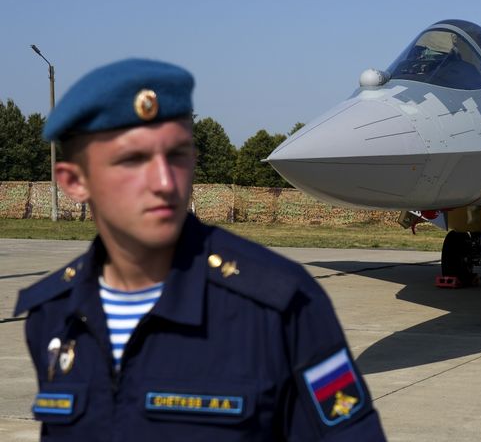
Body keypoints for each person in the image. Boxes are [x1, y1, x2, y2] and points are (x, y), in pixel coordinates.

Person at [14, 59, 386, 441]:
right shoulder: (52, 314)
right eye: (133, 160)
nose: (164, 181)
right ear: (74, 181)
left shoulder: (280, 305)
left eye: (177, 155)